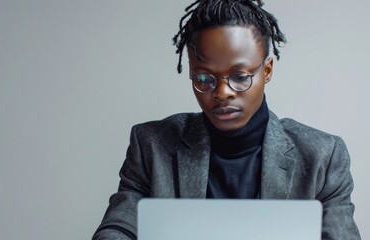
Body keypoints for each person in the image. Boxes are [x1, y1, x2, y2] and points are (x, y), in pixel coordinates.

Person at [92, 0, 361, 239]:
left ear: (267, 70)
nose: (222, 93)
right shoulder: (151, 145)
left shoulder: (323, 157)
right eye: (204, 79)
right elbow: (119, 227)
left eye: (240, 77)